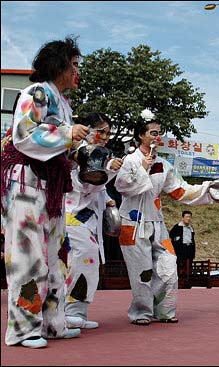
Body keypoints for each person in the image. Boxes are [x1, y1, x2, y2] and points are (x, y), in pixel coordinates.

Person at [0, 36, 89, 348]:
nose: (79, 71)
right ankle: (23, 329)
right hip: (25, 185)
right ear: (60, 66)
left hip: (49, 189)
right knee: (28, 258)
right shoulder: (36, 93)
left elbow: (59, 146)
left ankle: (53, 324)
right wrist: (67, 134)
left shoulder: (63, 102)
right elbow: (24, 135)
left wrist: (76, 151)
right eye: (75, 65)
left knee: (54, 259)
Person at [114, 110, 219, 326]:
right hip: (132, 223)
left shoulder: (165, 166)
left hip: (157, 222)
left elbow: (181, 191)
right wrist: (143, 169)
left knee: (169, 264)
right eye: (153, 133)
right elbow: (122, 187)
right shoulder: (130, 161)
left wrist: (210, 191)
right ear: (141, 135)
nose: (157, 137)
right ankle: (141, 312)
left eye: (159, 133)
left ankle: (164, 310)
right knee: (142, 272)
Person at [64, 112, 123, 329]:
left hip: (86, 218)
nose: (106, 136)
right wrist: (108, 171)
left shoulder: (97, 154)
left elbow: (98, 190)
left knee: (88, 262)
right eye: (101, 131)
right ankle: (68, 312)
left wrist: (107, 199)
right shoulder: (78, 152)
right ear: (87, 130)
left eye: (108, 132)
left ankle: (77, 311)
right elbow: (84, 185)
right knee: (80, 261)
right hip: (74, 216)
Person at [170, 210, 196, 276]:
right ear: (182, 218)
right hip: (180, 249)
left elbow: (192, 238)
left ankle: (188, 278)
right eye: (187, 217)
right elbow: (171, 236)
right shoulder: (177, 227)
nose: (188, 218)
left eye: (189, 217)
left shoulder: (191, 227)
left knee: (189, 264)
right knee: (180, 264)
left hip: (189, 248)